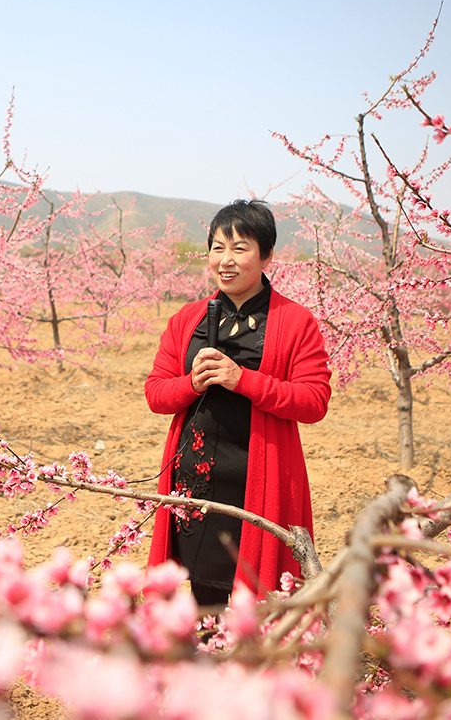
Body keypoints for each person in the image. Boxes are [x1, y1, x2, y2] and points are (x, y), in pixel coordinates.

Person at [145, 199, 331, 606]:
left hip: (259, 480)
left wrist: (242, 379)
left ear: (266, 256)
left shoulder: (295, 321)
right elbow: (156, 393)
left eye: (240, 248)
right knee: (203, 590)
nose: (225, 260)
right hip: (193, 479)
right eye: (217, 248)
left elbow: (314, 401)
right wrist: (191, 383)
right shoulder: (188, 318)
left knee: (260, 596)